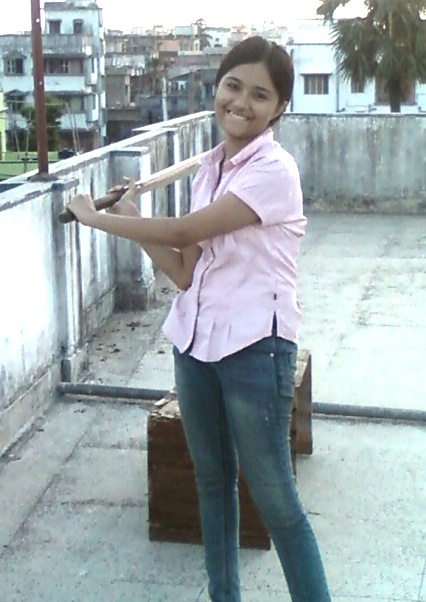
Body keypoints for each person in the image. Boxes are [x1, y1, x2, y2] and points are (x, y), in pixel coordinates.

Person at [67, 35, 332, 602]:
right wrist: (133, 214)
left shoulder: (274, 170)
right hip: (195, 346)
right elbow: (186, 270)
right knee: (212, 484)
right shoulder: (210, 170)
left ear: (279, 108)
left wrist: (98, 219)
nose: (241, 102)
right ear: (217, 88)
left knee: (276, 502)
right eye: (233, 86)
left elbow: (185, 230)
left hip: (256, 351)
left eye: (260, 94)